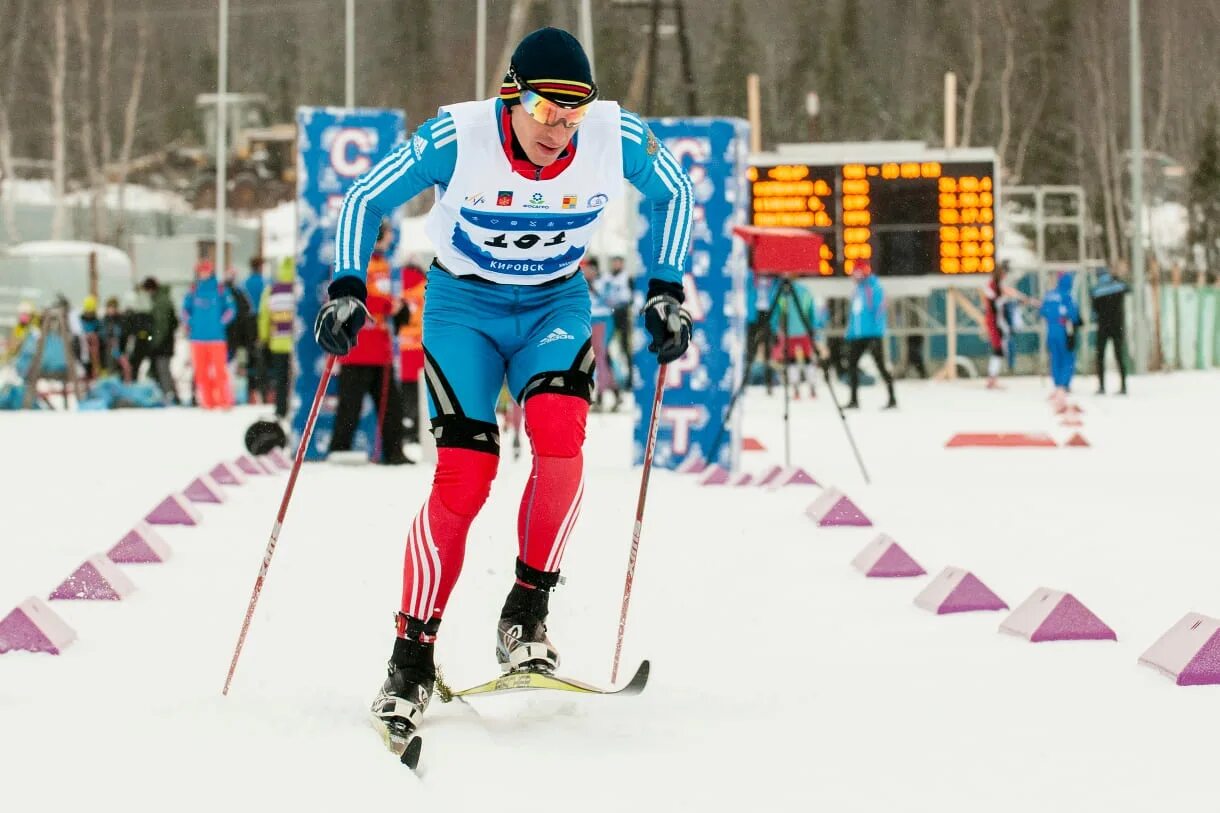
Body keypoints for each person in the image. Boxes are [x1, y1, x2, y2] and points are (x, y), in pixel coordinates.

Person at [313, 27, 693, 741]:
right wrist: (346, 287)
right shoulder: (459, 135)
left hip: (554, 302)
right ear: (513, 97)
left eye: (574, 113)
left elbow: (675, 191)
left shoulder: (615, 136)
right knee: (465, 473)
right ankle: (411, 655)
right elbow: (365, 196)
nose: (560, 129)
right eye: (548, 111)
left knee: (560, 440)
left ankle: (526, 608)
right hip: (464, 308)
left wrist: (666, 287)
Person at [327, 220, 409, 464]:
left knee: (391, 406)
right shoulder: (355, 266)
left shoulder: (383, 264)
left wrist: (398, 308)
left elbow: (383, 299)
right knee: (349, 407)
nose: (391, 238)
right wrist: (387, 305)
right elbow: (351, 301)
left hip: (380, 348)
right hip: (358, 348)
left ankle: (394, 452)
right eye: (388, 234)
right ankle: (338, 450)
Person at [183, 259, 236, 409]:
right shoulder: (193, 290)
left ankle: (225, 401)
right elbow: (184, 310)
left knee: (220, 372)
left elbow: (231, 309)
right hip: (198, 339)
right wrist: (191, 322)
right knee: (201, 372)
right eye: (201, 271)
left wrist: (220, 323)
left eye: (206, 271)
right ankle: (208, 402)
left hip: (217, 338)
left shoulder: (220, 289)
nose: (203, 274)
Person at [844, 260, 896, 409]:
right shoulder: (857, 290)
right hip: (857, 336)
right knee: (852, 366)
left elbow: (879, 312)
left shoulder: (874, 288)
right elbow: (855, 315)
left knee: (881, 366)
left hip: (872, 335)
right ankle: (854, 400)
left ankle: (892, 398)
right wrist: (850, 333)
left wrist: (877, 333)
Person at [258, 258, 296, 419]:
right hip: (296, 345)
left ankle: (281, 409)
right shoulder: (298, 289)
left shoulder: (272, 290)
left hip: (278, 342)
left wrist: (264, 337)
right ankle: (297, 408)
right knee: (296, 379)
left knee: (281, 379)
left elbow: (264, 316)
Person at [983, 260, 1030, 389]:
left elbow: (1006, 295)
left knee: (999, 350)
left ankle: (992, 378)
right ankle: (992, 379)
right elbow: (997, 302)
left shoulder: (996, 286)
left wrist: (1019, 299)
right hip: (995, 322)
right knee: (998, 350)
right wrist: (1016, 300)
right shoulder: (993, 286)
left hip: (996, 321)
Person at [397, 258, 427, 444]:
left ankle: (405, 428)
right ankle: (418, 429)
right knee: (421, 394)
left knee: (403, 393)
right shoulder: (427, 287)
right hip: (421, 349)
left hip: (400, 349)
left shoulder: (397, 284)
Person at [585, 258, 621, 411]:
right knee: (600, 358)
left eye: (588, 269)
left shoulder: (605, 281)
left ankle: (600, 395)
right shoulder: (583, 282)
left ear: (594, 269)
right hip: (590, 321)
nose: (586, 273)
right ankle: (615, 392)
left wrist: (596, 291)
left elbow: (612, 301)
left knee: (599, 357)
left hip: (603, 321)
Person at [1039, 271, 1080, 399]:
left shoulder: (1049, 295)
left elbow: (1042, 312)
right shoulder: (1067, 296)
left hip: (1051, 330)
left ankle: (1057, 383)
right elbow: (1074, 316)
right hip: (1065, 330)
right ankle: (1064, 383)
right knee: (1067, 357)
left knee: (1055, 357)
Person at [1091, 266, 1129, 395]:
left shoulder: (1096, 290)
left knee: (1100, 357)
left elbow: (1094, 312)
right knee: (1119, 356)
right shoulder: (1118, 286)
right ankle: (1123, 386)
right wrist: (1118, 278)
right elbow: (1129, 288)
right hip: (1118, 326)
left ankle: (1101, 386)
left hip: (1103, 327)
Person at [143, 277, 180, 404]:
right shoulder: (161, 299)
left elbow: (161, 325)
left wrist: (155, 342)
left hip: (163, 342)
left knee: (163, 369)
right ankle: (171, 394)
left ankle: (169, 395)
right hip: (166, 340)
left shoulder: (161, 302)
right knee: (163, 369)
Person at [605, 256, 635, 389]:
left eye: (618, 263)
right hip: (610, 313)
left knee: (625, 347)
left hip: (623, 313)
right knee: (605, 347)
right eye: (614, 262)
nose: (615, 265)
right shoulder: (607, 277)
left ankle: (630, 378)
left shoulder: (627, 277)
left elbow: (634, 296)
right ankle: (611, 379)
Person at [244, 257, 269, 404]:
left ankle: (250, 392)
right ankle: (263, 392)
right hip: (260, 320)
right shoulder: (264, 283)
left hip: (247, 323)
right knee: (262, 359)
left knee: (250, 358)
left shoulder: (245, 283)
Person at [99, 297, 128, 378]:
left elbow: (124, 334)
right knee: (109, 367)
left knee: (121, 369)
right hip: (107, 349)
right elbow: (101, 334)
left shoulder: (121, 319)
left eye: (113, 307)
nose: (111, 310)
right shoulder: (104, 320)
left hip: (119, 348)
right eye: (110, 307)